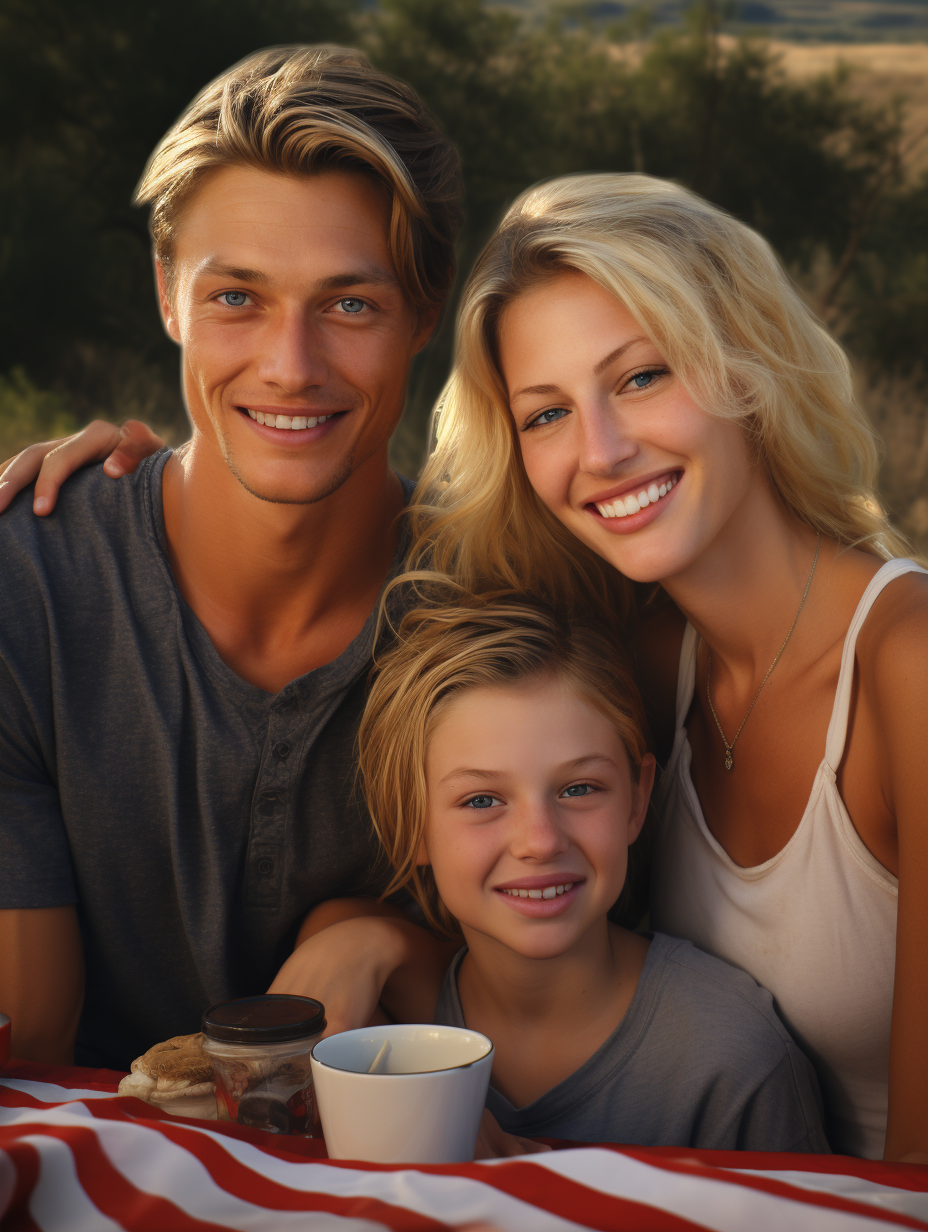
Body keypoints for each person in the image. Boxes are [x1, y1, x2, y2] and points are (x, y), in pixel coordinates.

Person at [8, 175, 926, 1160]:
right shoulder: (647, 652)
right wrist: (143, 482)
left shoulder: (905, 662)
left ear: (747, 360)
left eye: (643, 375)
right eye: (544, 414)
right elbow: (545, 875)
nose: (603, 450)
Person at [0, 44, 462, 1072]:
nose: (290, 367)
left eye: (349, 304)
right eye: (235, 298)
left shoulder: (494, 608)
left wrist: (385, 932)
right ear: (168, 293)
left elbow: (560, 995)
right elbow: (28, 1046)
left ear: (423, 313)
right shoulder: (25, 587)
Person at [350, 591, 828, 1151]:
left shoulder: (732, 1062)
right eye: (481, 800)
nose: (540, 841)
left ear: (636, 799)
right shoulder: (383, 1044)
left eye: (580, 789)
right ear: (409, 825)